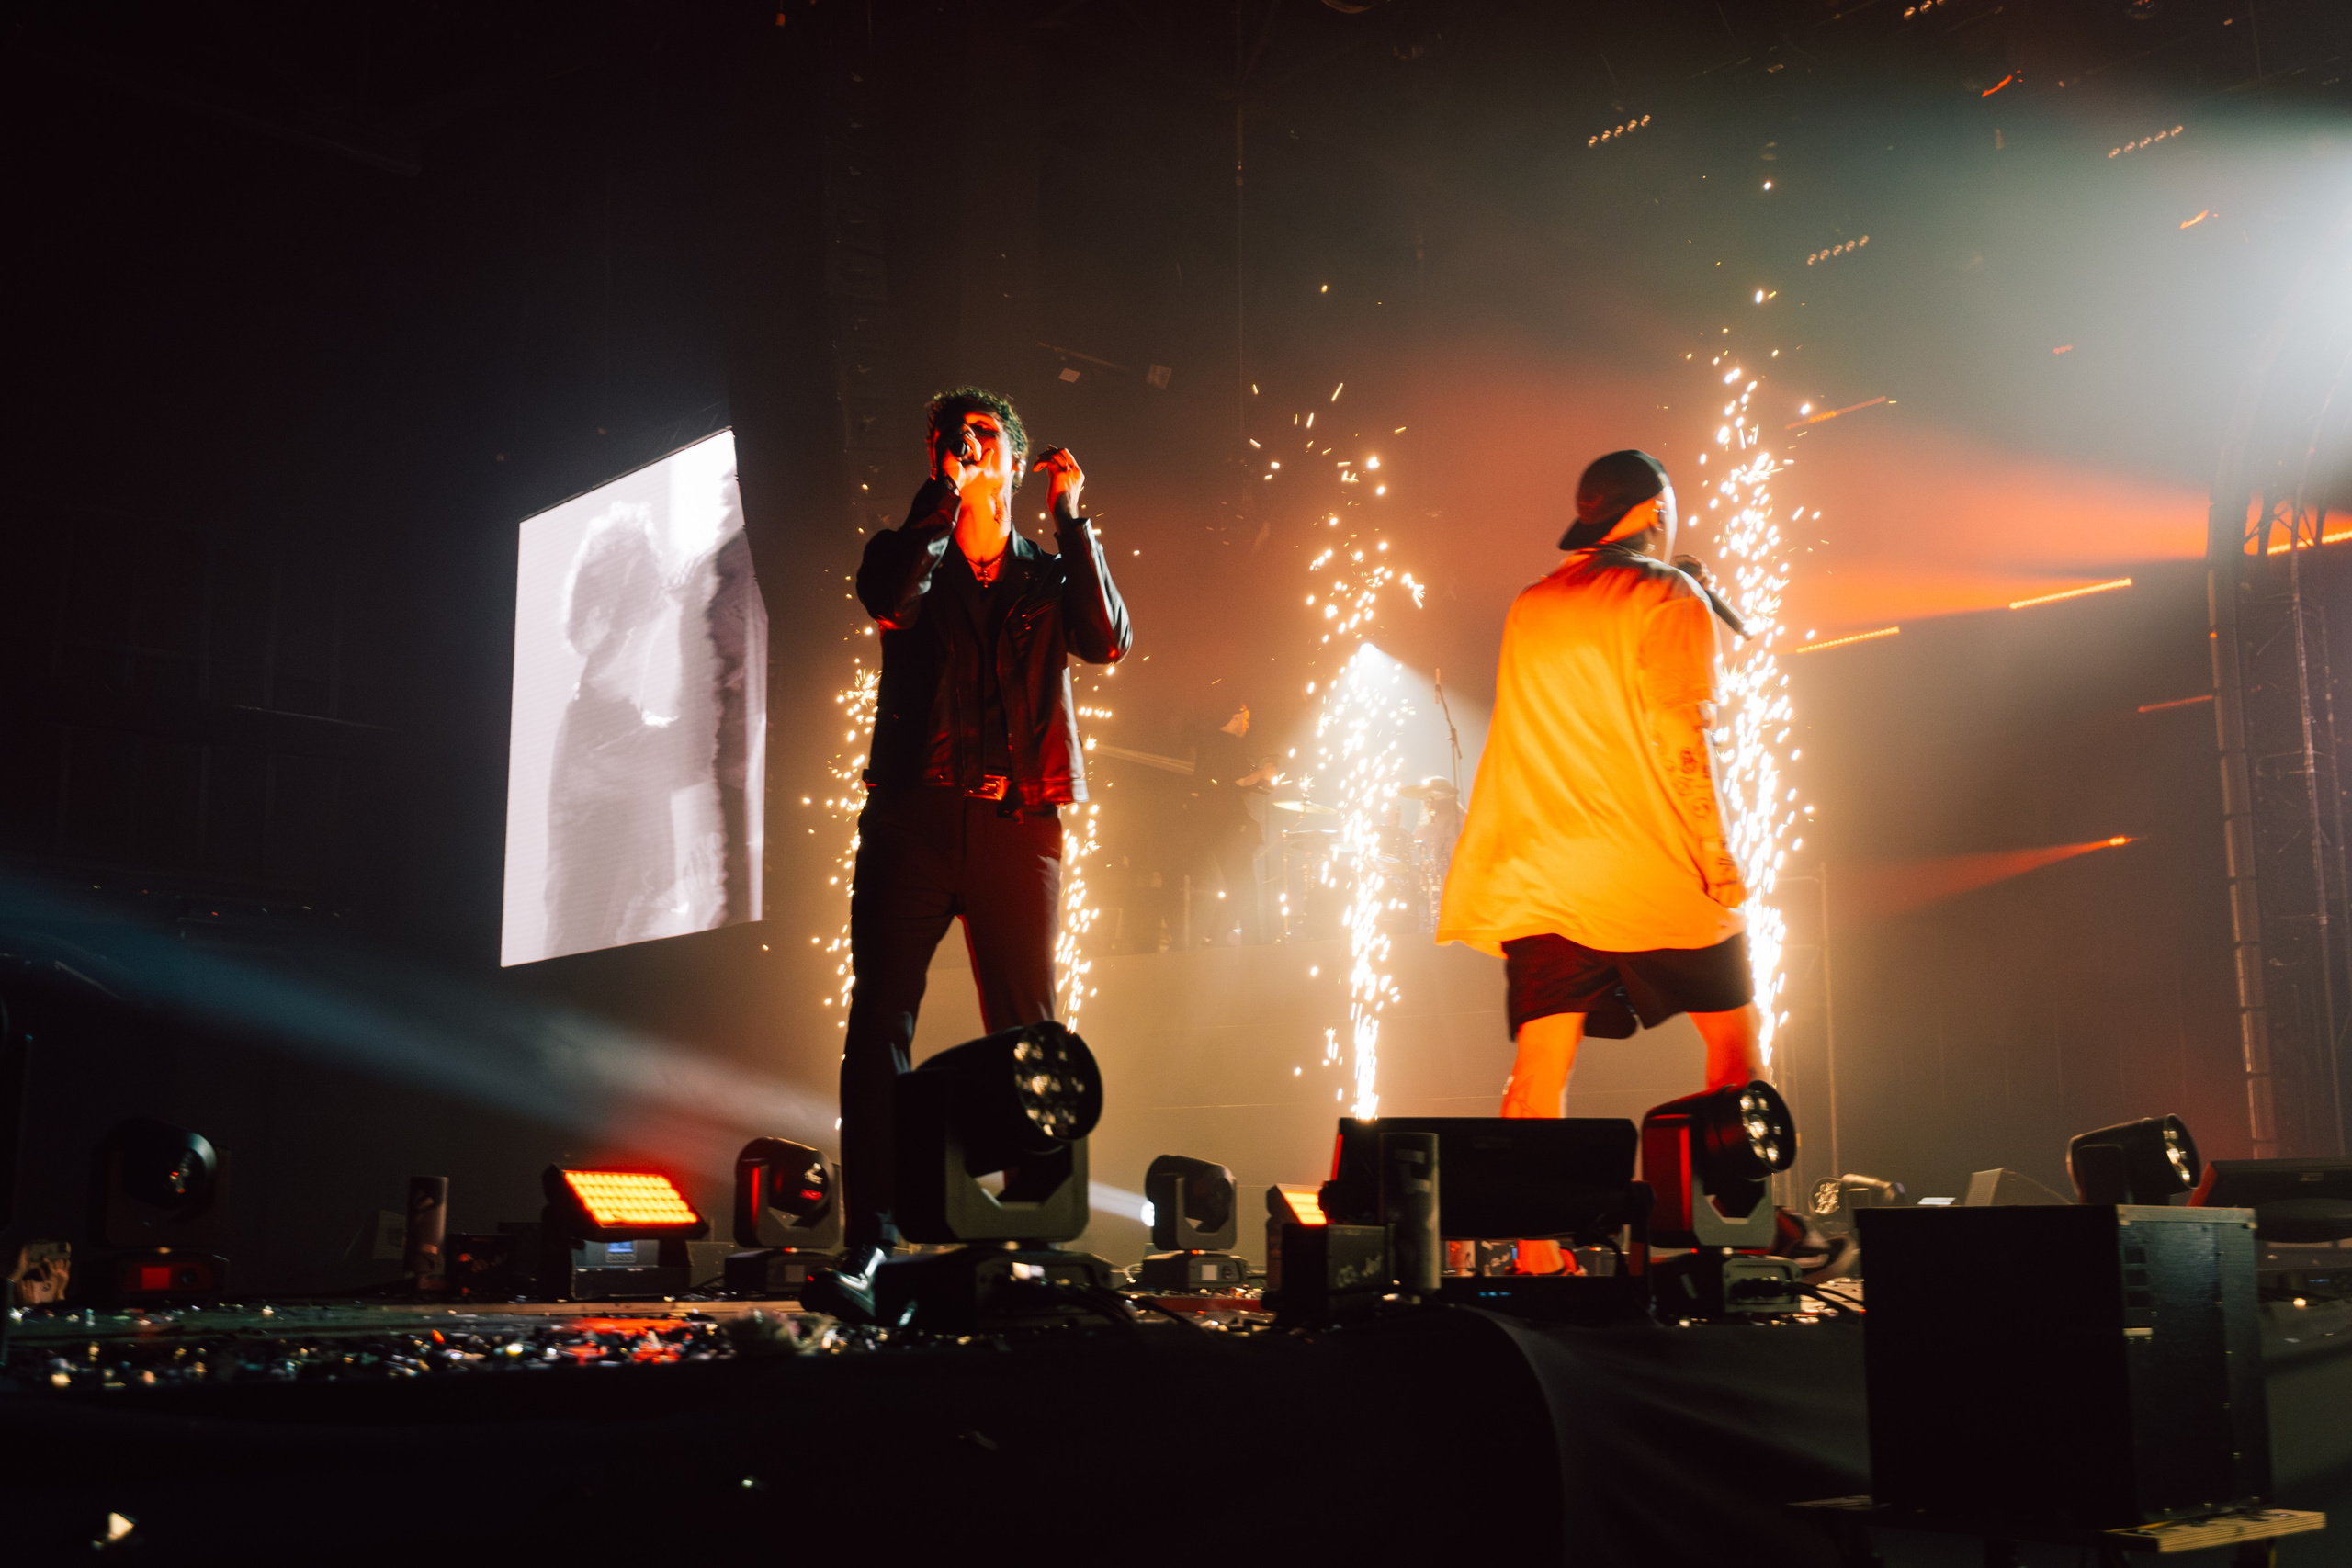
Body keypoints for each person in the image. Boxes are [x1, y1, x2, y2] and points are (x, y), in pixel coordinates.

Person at [827, 387, 1131, 1289]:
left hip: (1018, 825)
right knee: (879, 1019)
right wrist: (939, 505)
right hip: (913, 821)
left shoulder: (1047, 571)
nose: (966, 446)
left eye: (984, 436)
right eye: (949, 440)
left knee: (1030, 1027)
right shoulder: (905, 554)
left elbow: (1106, 639)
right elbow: (891, 601)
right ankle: (871, 1234)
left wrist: (1072, 520)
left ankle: (1035, 1234)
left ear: (1016, 455)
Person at [1436, 449, 1761, 1269]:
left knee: (1537, 1076)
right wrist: (1716, 858)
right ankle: (1734, 1229)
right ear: (1655, 511)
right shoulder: (1667, 594)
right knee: (1735, 1058)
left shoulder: (1533, 603)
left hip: (1541, 873)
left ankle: (1540, 1256)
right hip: (1648, 866)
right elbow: (1682, 736)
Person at [1192, 702, 1282, 944]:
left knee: (1238, 885)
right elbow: (1240, 780)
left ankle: (1215, 934)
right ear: (1235, 716)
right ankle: (1248, 941)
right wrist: (1264, 773)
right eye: (1246, 719)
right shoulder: (1227, 743)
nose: (1248, 725)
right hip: (1229, 827)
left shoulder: (1210, 743)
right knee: (1244, 886)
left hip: (1217, 826)